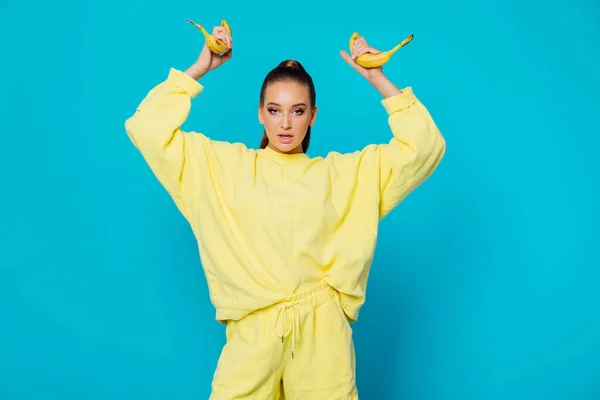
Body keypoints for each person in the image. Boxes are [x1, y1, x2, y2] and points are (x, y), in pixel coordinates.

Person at [125, 23, 445, 400]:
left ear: (313, 115)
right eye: (275, 110)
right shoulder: (222, 167)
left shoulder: (340, 174)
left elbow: (425, 147)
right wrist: (200, 68)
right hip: (253, 332)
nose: (285, 123)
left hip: (322, 333)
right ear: (260, 113)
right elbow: (145, 127)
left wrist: (378, 79)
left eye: (297, 111)